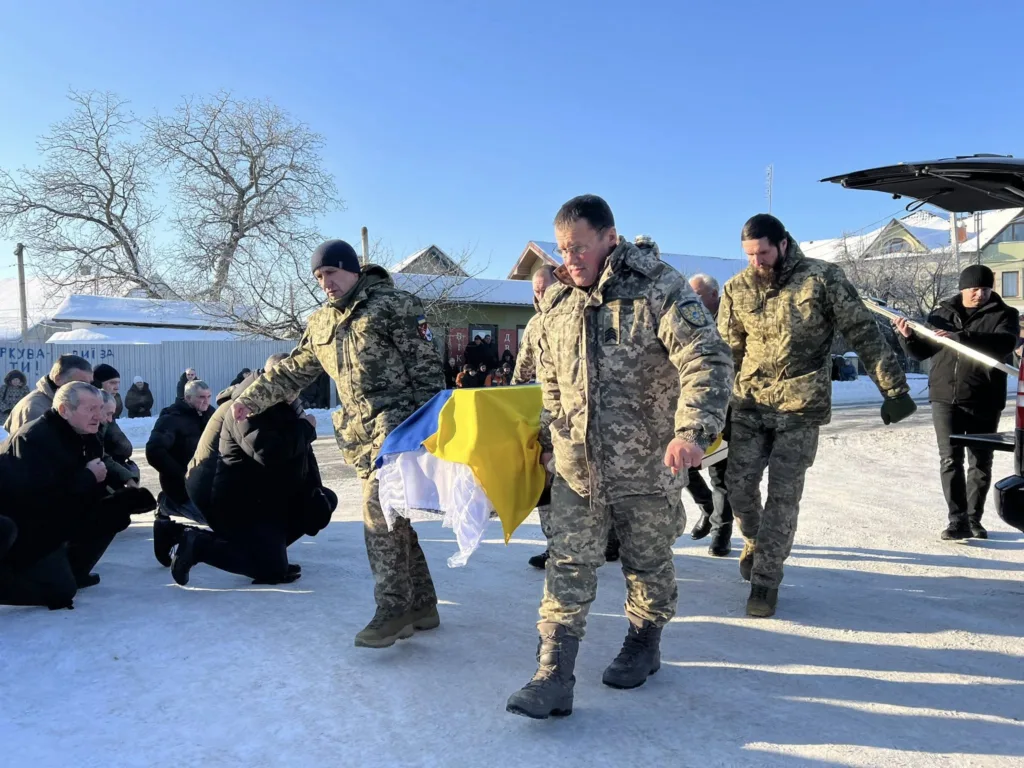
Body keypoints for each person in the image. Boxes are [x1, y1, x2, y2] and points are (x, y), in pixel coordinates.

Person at [506, 195, 733, 720]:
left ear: (610, 237)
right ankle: (553, 675)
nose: (571, 259)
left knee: (647, 562)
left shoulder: (659, 288)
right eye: (563, 249)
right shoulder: (558, 302)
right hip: (575, 468)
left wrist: (693, 430)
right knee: (567, 563)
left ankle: (644, 642)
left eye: (580, 247)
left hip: (649, 465)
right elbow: (547, 387)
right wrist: (544, 441)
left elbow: (707, 357)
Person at [231, 239, 445, 648]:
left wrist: (428, 435)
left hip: (399, 431)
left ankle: (393, 610)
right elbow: (294, 371)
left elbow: (428, 372)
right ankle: (423, 605)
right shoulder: (321, 323)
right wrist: (251, 399)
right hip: (360, 438)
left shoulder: (393, 306)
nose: (324, 283)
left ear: (352, 269)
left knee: (376, 516)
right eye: (318, 277)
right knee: (394, 518)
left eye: (330, 273)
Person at [719, 214, 916, 619]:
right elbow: (726, 352)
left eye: (764, 252)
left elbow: (863, 332)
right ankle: (755, 540)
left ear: (783, 244)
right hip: (751, 403)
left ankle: (765, 582)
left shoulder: (822, 278)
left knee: (783, 497)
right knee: (737, 487)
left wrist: (893, 388)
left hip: (800, 405)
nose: (757, 261)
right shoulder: (736, 288)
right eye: (750, 255)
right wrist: (716, 404)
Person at [172, 354, 336, 586]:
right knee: (270, 570)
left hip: (265, 497)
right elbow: (269, 454)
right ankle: (197, 544)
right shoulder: (246, 405)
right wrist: (304, 429)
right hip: (237, 501)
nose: (294, 389)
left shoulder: (288, 404)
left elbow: (303, 457)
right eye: (287, 382)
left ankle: (269, 551)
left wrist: (315, 491)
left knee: (322, 502)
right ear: (271, 378)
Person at [0, 382, 155, 609]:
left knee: (115, 512)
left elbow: (93, 479)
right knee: (60, 593)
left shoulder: (86, 434)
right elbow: (32, 499)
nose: (99, 416)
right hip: (26, 526)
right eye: (90, 409)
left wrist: (124, 492)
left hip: (60, 514)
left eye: (100, 408)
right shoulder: (34, 438)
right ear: (64, 410)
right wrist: (87, 478)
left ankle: (76, 571)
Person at [894, 264, 1020, 540]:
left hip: (984, 398)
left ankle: (974, 519)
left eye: (985, 289)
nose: (980, 294)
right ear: (963, 288)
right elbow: (921, 352)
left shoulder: (1005, 315)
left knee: (980, 460)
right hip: (944, 397)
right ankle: (957, 520)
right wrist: (907, 337)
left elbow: (1004, 344)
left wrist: (960, 337)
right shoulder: (941, 315)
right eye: (975, 289)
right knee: (950, 459)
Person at [683, 273, 735, 557]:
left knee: (720, 474)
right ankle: (706, 507)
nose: (693, 301)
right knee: (682, 466)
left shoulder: (730, 321)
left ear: (715, 295)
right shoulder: (686, 322)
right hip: (691, 408)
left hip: (725, 407)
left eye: (698, 295)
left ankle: (721, 532)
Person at [145, 379, 213, 566]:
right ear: (188, 397)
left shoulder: (210, 414)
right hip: (181, 485)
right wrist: (184, 474)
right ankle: (171, 522)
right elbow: (154, 451)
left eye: (208, 397)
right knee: (218, 523)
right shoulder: (171, 418)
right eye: (201, 397)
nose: (205, 402)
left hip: (209, 482)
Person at [3, 355, 93, 435]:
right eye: (80, 383)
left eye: (89, 384)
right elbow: (37, 449)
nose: (87, 389)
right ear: (58, 379)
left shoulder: (58, 402)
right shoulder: (35, 408)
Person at [97, 391, 140, 491]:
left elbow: (101, 455)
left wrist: (128, 478)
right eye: (108, 414)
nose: (110, 420)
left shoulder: (99, 428)